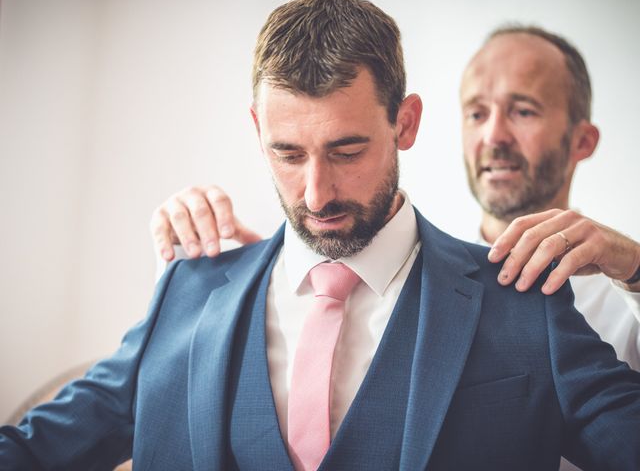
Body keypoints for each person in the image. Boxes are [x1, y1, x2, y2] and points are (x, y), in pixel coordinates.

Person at [2, 0, 640, 469]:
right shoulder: (187, 295)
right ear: (257, 131)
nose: (316, 194)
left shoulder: (523, 303)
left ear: (406, 124)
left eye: (347, 150)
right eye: (287, 152)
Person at [151, 27, 640, 379]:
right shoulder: (412, 269)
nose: (493, 135)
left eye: (523, 110)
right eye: (476, 112)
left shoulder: (624, 298)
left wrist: (636, 271)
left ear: (583, 141)